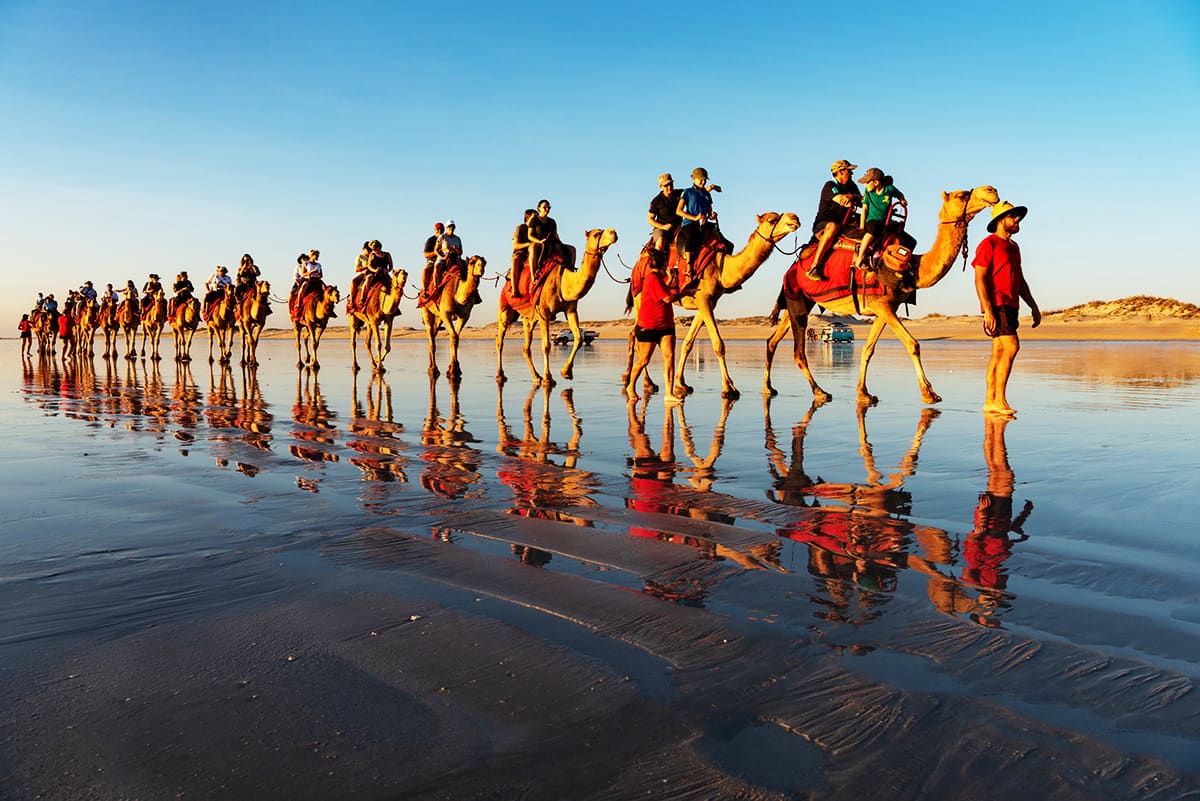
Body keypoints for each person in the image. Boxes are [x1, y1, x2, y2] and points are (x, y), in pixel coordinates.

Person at [973, 200, 1040, 416]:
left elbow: (1019, 279)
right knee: (1011, 346)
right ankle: (999, 400)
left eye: (1017, 216)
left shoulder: (1013, 247)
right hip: (997, 303)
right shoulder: (989, 243)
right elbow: (980, 278)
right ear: (1001, 220)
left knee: (999, 351)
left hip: (1012, 303)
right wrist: (988, 309)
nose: (1017, 220)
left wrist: (1033, 305)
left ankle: (990, 401)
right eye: (1012, 217)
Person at [625, 254, 686, 403]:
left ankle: (669, 393)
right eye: (666, 263)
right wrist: (686, 293)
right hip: (649, 326)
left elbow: (663, 290)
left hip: (666, 325)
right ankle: (630, 386)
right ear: (663, 264)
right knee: (644, 360)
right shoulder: (652, 278)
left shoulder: (659, 278)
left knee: (669, 358)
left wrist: (670, 279)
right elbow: (667, 298)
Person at [807, 159, 862, 281]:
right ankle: (814, 266)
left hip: (845, 222)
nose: (852, 174)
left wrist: (853, 197)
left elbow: (862, 200)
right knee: (833, 226)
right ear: (841, 172)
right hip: (824, 224)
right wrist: (853, 198)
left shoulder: (852, 186)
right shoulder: (830, 186)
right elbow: (842, 200)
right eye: (849, 171)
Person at [852, 168, 907, 270]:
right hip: (872, 220)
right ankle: (860, 257)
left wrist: (902, 199)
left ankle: (903, 262)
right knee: (872, 231)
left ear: (876, 182)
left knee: (903, 236)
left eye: (867, 182)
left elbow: (899, 193)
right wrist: (862, 226)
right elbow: (864, 209)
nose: (865, 185)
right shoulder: (868, 192)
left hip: (885, 221)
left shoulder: (889, 189)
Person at [675, 167, 717, 282]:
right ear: (694, 179)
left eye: (705, 180)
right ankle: (689, 266)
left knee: (722, 241)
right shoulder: (688, 192)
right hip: (690, 223)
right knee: (691, 237)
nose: (703, 182)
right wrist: (694, 217)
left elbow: (709, 211)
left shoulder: (707, 194)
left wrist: (712, 215)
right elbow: (678, 210)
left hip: (704, 224)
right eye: (700, 179)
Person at [351, 240, 394, 310]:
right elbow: (369, 266)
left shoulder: (387, 254)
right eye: (372, 249)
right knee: (368, 279)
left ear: (379, 247)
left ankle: (394, 304)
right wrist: (375, 270)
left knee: (394, 284)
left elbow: (391, 266)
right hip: (373, 272)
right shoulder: (372, 255)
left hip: (384, 273)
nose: (373, 250)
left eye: (375, 248)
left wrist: (388, 270)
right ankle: (362, 297)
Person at [647, 173, 682, 255]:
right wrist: (663, 226)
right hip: (662, 229)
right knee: (661, 241)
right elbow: (650, 219)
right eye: (666, 186)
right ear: (661, 187)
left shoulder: (679, 194)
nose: (669, 187)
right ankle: (658, 264)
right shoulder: (656, 201)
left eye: (670, 184)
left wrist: (709, 188)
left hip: (679, 227)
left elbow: (693, 194)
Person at [528, 199, 562, 275]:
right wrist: (539, 241)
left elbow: (555, 234)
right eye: (545, 207)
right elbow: (529, 235)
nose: (547, 209)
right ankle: (537, 269)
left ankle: (569, 267)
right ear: (539, 208)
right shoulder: (534, 220)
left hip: (552, 242)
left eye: (549, 207)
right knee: (544, 245)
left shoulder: (552, 221)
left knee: (571, 249)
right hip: (539, 242)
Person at [510, 209, 535, 296]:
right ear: (528, 218)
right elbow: (515, 245)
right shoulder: (520, 228)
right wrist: (529, 244)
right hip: (521, 252)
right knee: (515, 261)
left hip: (534, 252)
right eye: (534, 217)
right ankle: (514, 289)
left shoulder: (536, 229)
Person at [435, 219, 464, 286]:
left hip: (455, 257)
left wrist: (456, 249)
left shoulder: (457, 239)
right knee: (437, 266)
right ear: (446, 227)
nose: (451, 228)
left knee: (467, 266)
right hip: (445, 257)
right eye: (449, 226)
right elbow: (436, 250)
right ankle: (437, 283)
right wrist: (442, 257)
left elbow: (460, 252)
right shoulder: (442, 237)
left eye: (453, 226)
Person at [421, 222, 445, 298]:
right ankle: (425, 290)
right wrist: (436, 252)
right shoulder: (431, 240)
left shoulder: (447, 239)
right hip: (433, 260)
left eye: (441, 229)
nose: (440, 231)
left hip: (446, 259)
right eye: (438, 229)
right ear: (435, 230)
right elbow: (425, 254)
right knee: (426, 270)